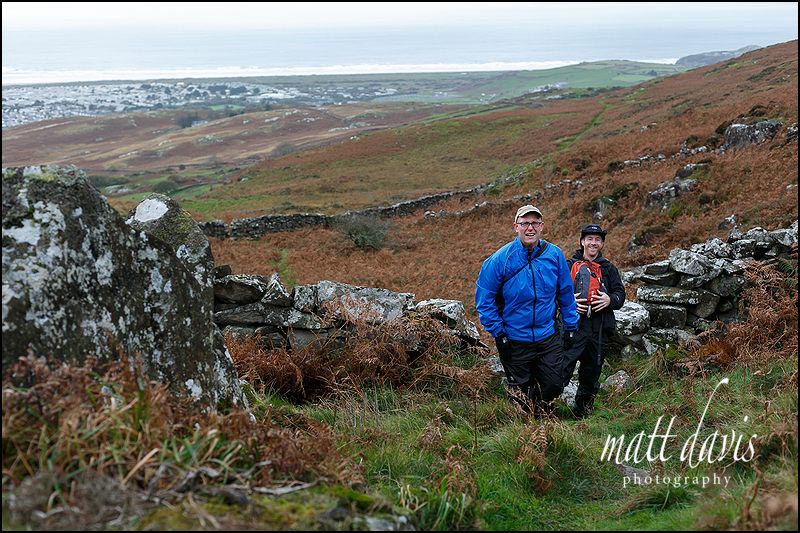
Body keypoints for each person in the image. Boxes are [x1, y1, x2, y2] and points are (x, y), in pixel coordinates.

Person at [475, 205, 579, 415]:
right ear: (516, 227)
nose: (530, 228)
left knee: (554, 384)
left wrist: (570, 325)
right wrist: (499, 333)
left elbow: (566, 293)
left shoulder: (554, 255)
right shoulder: (499, 261)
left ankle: (539, 415)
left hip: (547, 336)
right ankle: (530, 429)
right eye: (525, 223)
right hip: (514, 339)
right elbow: (484, 300)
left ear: (541, 227)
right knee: (520, 390)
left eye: (535, 223)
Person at [562, 224, 626, 418]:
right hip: (573, 327)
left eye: (597, 239)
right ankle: (545, 409)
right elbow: (555, 293)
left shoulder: (608, 268)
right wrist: (569, 302)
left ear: (602, 243)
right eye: (589, 239)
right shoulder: (568, 264)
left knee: (591, 374)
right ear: (582, 242)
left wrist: (609, 300)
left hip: (598, 328)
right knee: (561, 368)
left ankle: (582, 415)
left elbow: (620, 294)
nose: (593, 242)